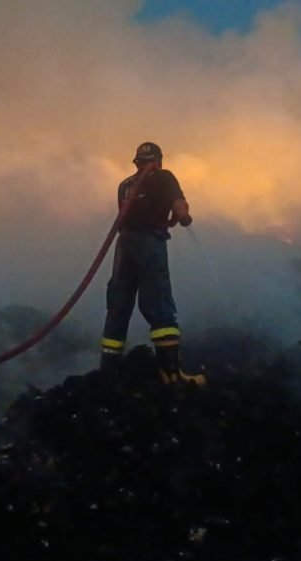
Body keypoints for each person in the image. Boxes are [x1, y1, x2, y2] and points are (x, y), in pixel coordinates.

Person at [100, 142, 206, 386]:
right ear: (158, 160)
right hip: (149, 245)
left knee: (118, 306)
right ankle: (171, 375)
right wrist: (183, 216)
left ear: (136, 162)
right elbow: (179, 205)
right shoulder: (165, 177)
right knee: (159, 304)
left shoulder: (124, 185)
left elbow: (133, 215)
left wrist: (163, 219)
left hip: (124, 246)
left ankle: (107, 375)